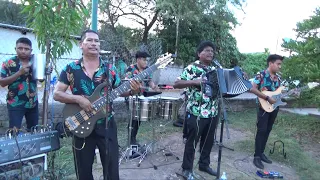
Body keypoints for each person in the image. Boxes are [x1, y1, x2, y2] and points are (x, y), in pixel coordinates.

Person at [53, 30, 141, 180]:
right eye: (90, 40)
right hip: (81, 123)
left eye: (97, 41)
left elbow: (119, 91)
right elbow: (57, 94)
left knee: (112, 170)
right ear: (81, 44)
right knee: (83, 171)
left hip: (106, 124)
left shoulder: (109, 69)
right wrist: (78, 99)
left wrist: (133, 90)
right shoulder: (71, 68)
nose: (94, 44)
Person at [173, 41, 219, 179]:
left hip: (213, 112)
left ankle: (204, 164)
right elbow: (177, 83)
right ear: (199, 53)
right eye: (207, 50)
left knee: (208, 140)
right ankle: (186, 169)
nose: (210, 53)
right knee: (192, 142)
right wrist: (194, 81)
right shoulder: (191, 68)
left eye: (212, 51)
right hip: (196, 112)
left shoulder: (215, 70)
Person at [0, 37, 51, 131]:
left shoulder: (36, 61)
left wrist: (45, 72)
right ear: (15, 49)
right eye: (20, 48)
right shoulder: (8, 63)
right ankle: (16, 146)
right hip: (15, 103)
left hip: (33, 103)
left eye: (26, 49)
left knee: (33, 130)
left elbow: (40, 80)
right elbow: (2, 82)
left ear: (31, 50)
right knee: (14, 132)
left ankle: (32, 146)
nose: (23, 51)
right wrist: (19, 73)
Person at [249, 54, 283, 169]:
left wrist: (292, 93)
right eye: (278, 64)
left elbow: (278, 94)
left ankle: (261, 153)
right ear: (270, 63)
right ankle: (256, 157)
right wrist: (267, 98)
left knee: (268, 130)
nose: (280, 66)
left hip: (274, 109)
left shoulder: (278, 78)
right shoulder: (261, 75)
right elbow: (252, 88)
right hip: (263, 108)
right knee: (261, 131)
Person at [125, 51, 158, 145]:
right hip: (131, 97)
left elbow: (150, 81)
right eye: (144, 60)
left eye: (147, 60)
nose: (146, 62)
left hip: (142, 98)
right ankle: (130, 140)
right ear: (138, 59)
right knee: (133, 120)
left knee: (139, 119)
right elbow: (127, 84)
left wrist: (154, 87)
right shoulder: (130, 69)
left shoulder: (147, 69)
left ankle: (133, 139)